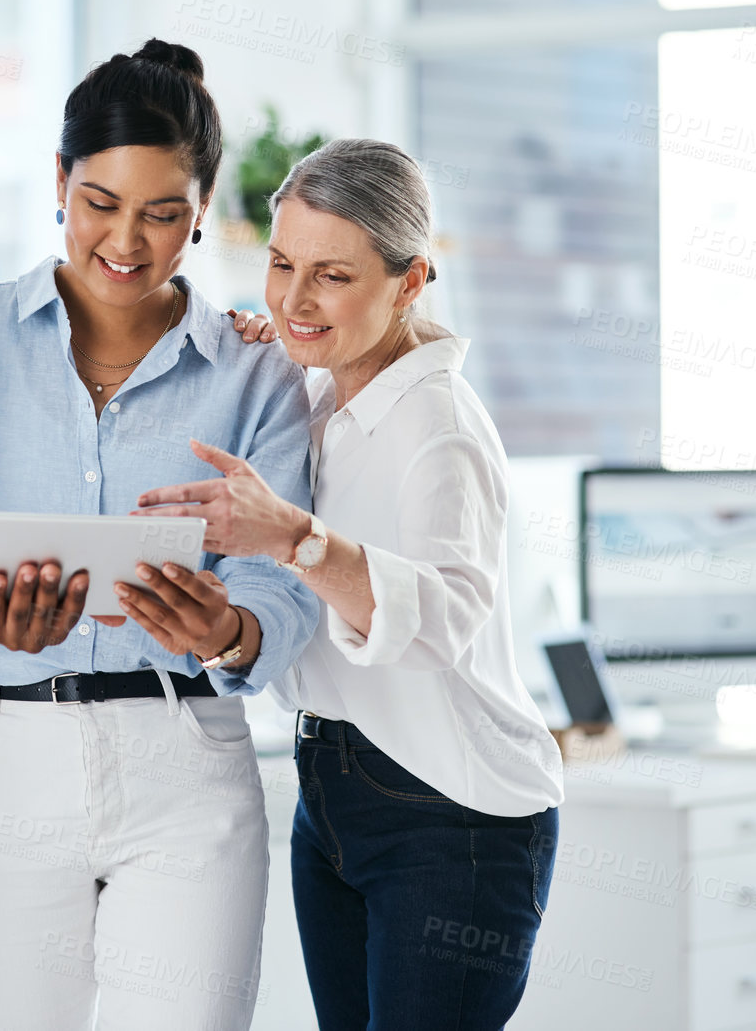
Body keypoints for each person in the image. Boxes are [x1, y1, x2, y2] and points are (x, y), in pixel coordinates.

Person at [0, 39, 320, 1031]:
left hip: (187, 760)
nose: (128, 244)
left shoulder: (254, 373)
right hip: (1, 749)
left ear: (202, 209)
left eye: (163, 214)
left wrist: (226, 629)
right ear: (59, 182)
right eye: (101, 204)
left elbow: (291, 582)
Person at [138, 138, 565, 1030]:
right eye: (282, 264)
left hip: (454, 816)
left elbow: (442, 618)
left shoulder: (436, 427)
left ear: (410, 283)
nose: (294, 298)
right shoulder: (324, 393)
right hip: (332, 791)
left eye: (331, 275)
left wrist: (296, 538)